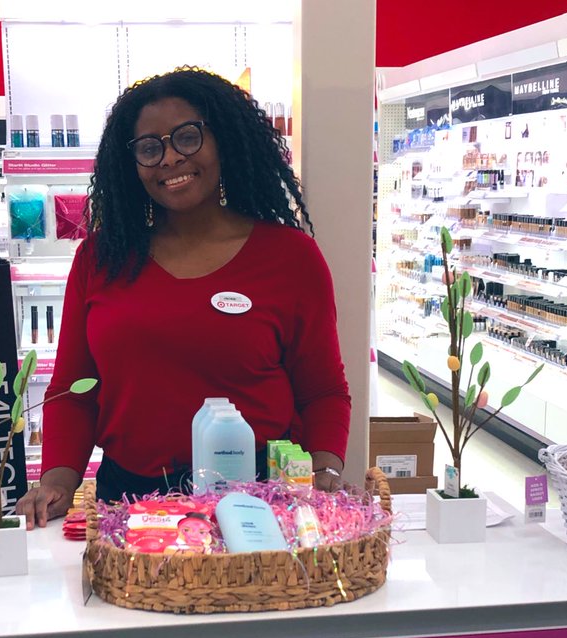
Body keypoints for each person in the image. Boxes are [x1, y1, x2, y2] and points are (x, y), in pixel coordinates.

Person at [18, 67, 351, 528]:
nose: (170, 158)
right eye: (149, 148)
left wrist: (325, 472)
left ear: (222, 140)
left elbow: (323, 391)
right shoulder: (100, 258)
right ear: (131, 163)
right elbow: (73, 390)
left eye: (188, 137)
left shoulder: (290, 257)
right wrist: (57, 482)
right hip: (130, 506)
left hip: (259, 507)